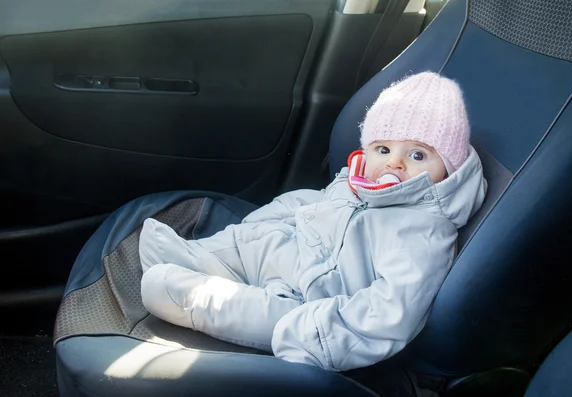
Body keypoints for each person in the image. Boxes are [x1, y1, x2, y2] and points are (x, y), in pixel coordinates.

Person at [138, 71, 487, 372]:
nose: (394, 164)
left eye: (417, 155)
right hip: (300, 256)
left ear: (448, 167)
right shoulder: (361, 184)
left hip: (308, 306)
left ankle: (192, 294)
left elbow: (390, 313)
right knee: (259, 237)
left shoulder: (422, 231)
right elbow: (316, 205)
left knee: (182, 293)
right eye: (383, 150)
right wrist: (277, 223)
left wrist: (316, 332)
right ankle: (197, 258)